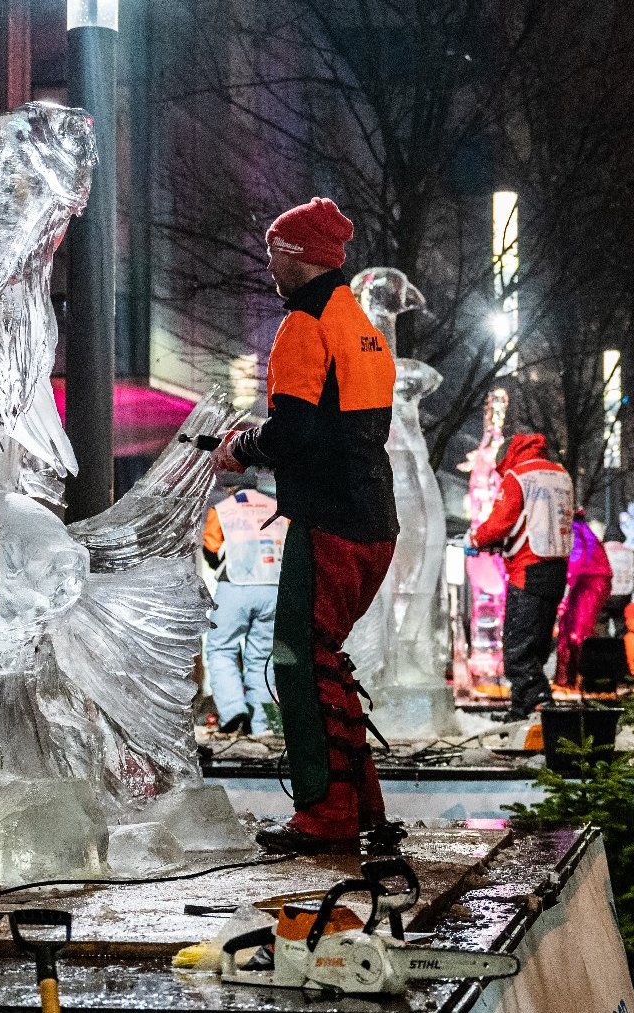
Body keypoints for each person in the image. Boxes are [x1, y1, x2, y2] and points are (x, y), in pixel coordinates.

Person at [215, 197, 398, 855]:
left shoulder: (304, 327)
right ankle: (361, 804)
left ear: (297, 258)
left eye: (274, 253)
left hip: (328, 521)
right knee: (326, 655)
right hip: (375, 520)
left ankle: (324, 816)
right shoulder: (363, 326)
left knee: (299, 657)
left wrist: (243, 446)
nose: (269, 266)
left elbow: (296, 432)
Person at [469, 433, 574, 720]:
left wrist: (476, 538)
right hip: (557, 568)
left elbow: (500, 522)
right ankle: (521, 709)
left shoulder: (520, 475)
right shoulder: (561, 474)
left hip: (527, 569)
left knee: (517, 649)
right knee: (537, 645)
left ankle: (540, 704)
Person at [202, 484, 288, 735]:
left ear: (233, 489)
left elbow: (211, 547)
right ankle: (263, 726)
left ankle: (233, 713)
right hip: (274, 589)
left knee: (221, 649)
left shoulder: (224, 508)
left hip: (236, 585)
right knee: (262, 659)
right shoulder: (278, 509)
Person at [555, 509, 613, 689]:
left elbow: (576, 561)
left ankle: (581, 677)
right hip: (588, 581)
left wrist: (564, 591)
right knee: (569, 628)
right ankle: (567, 678)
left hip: (590, 581)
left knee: (577, 630)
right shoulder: (580, 531)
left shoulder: (576, 531)